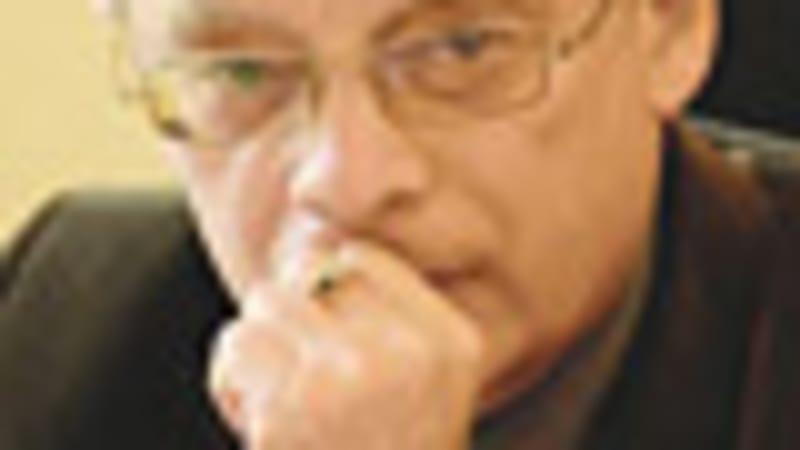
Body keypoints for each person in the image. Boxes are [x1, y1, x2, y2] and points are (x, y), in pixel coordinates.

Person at [0, 0, 798, 449]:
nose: (347, 185)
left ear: (670, 27)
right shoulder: (59, 324)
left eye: (462, 50)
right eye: (240, 72)